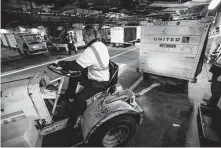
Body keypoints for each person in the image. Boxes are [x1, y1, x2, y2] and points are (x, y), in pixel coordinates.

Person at [57, 25, 110, 124]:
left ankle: (73, 122)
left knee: (80, 98)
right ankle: (69, 95)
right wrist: (65, 63)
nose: (83, 39)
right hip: (97, 74)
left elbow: (77, 65)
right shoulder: (99, 44)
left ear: (90, 36)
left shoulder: (92, 49)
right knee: (74, 76)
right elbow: (80, 62)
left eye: (84, 37)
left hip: (99, 82)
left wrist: (62, 64)